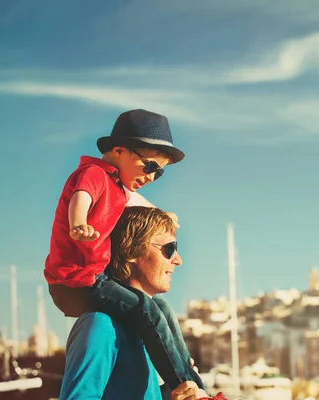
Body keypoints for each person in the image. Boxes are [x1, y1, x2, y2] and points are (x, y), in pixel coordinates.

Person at [44, 109, 204, 391]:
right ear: (118, 151)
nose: (154, 176)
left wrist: (161, 213)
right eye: (151, 166)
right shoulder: (100, 329)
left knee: (159, 309)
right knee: (150, 311)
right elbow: (81, 196)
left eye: (161, 172)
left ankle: (192, 387)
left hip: (92, 279)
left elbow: (137, 200)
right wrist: (79, 223)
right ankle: (186, 385)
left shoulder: (117, 187)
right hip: (77, 281)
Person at [59, 206, 226, 399]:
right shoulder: (101, 325)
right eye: (169, 249)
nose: (178, 260)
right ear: (131, 251)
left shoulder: (153, 332)